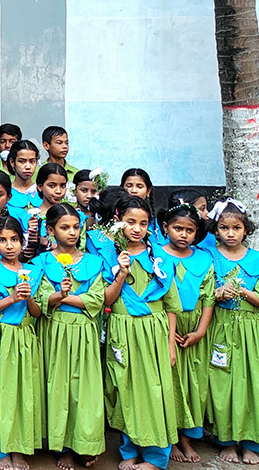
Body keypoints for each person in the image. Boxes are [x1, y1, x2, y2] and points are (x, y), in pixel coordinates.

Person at [101, 194, 179, 470]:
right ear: (117, 221)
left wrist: (170, 345)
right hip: (122, 328)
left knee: (156, 391)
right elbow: (107, 300)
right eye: (130, 221)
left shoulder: (159, 256)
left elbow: (171, 305)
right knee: (124, 388)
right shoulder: (108, 256)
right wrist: (121, 272)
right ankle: (129, 449)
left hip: (154, 331)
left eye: (143, 223)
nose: (137, 228)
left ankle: (157, 457)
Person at [35, 204, 107, 469]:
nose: (72, 232)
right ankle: (63, 446)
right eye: (65, 227)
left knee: (84, 389)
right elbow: (41, 297)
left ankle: (85, 443)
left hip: (84, 331)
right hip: (55, 331)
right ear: (51, 230)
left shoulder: (93, 262)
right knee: (59, 387)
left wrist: (66, 297)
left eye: (76, 227)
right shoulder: (42, 262)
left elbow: (97, 297)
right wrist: (57, 296)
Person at [0, 216, 44, 470]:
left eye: (15, 239)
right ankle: (0, 447)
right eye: (3, 240)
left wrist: (28, 299)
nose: (9, 246)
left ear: (23, 241)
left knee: (24, 392)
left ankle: (20, 446)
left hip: (25, 337)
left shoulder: (34, 271)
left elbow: (37, 313)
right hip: (0, 334)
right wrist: (12, 297)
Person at [157, 201, 214, 463]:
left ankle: (187, 438)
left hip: (194, 330)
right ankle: (170, 438)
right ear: (166, 227)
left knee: (193, 385)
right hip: (163, 327)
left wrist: (200, 332)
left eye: (189, 230)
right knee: (168, 383)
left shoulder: (204, 259)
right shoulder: (155, 255)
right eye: (178, 228)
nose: (183, 234)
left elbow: (209, 298)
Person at [207, 199, 259, 463]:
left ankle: (251, 442)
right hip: (221, 327)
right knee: (222, 381)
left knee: (253, 383)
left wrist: (245, 292)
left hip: (252, 331)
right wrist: (218, 293)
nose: (230, 233)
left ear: (245, 230)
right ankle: (226, 440)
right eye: (224, 228)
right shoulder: (210, 257)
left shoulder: (257, 259)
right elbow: (203, 294)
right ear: (216, 230)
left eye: (236, 228)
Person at [5, 141, 41, 213]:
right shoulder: (5, 193)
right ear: (12, 162)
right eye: (22, 161)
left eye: (32, 161)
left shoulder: (43, 191)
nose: (28, 167)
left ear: (36, 162)